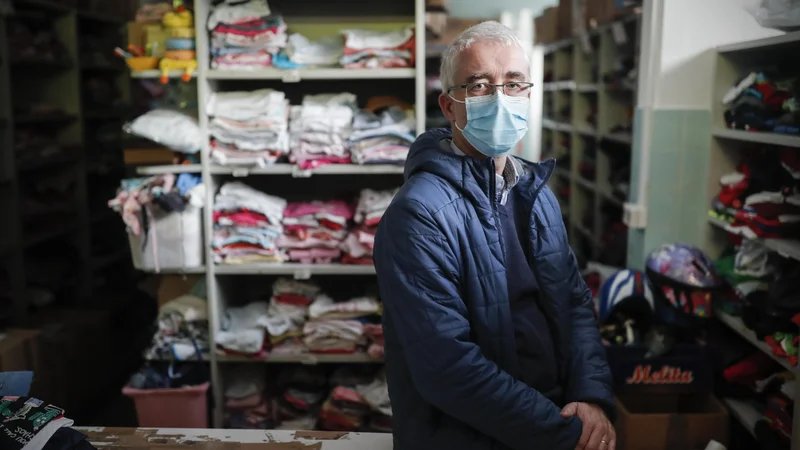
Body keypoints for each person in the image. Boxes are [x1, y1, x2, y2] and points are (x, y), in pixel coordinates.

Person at [373, 21, 616, 450]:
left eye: (514, 83)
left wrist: (590, 398)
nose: (501, 98)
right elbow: (449, 368)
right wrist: (567, 434)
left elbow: (573, 305)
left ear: (528, 94)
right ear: (450, 108)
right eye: (480, 85)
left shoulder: (534, 193)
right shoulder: (419, 214)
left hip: (555, 418)